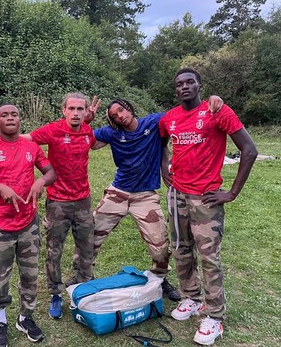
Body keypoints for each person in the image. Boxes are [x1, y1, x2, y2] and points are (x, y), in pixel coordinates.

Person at [159, 68, 257, 346]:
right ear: (175, 90)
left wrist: (233, 192)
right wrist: (163, 166)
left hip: (206, 198)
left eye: (190, 82)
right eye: (179, 83)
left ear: (200, 86)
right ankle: (191, 297)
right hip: (177, 194)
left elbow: (249, 150)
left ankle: (214, 316)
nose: (185, 86)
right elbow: (160, 141)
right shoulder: (170, 118)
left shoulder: (218, 112)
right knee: (180, 249)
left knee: (209, 257)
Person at [91, 96, 223, 302]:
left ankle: (159, 279)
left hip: (145, 196)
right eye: (114, 116)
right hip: (118, 192)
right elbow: (86, 141)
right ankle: (83, 276)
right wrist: (86, 121)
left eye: (122, 110)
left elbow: (182, 116)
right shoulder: (112, 133)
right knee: (90, 235)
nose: (120, 116)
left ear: (130, 108)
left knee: (160, 245)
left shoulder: (153, 122)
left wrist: (211, 101)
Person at [0, 93, 101, 320]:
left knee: (86, 248)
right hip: (57, 201)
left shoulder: (87, 130)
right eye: (72, 109)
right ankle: (56, 293)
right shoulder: (52, 130)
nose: (76, 113)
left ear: (86, 112)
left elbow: (96, 142)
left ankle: (84, 290)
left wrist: (92, 122)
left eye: (80, 109)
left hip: (84, 200)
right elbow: (21, 137)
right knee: (53, 250)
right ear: (63, 111)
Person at [0, 104, 57, 347]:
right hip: (0, 225)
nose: (9, 118)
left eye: (14, 114)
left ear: (20, 119)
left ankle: (25, 318)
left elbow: (51, 172)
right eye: (4, 115)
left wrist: (41, 181)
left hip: (29, 223)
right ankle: (1, 321)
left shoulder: (31, 147)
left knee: (30, 274)